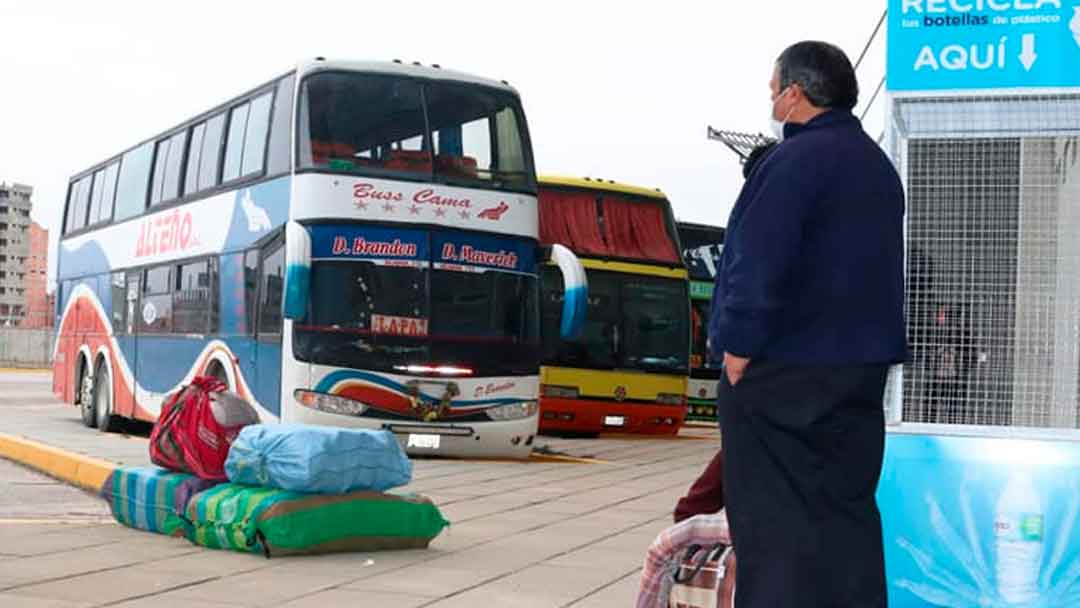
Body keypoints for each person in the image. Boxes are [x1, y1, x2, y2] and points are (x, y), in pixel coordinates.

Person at [708, 41, 907, 607]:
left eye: (774, 91)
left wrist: (738, 348)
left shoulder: (793, 161)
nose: (772, 102)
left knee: (773, 521)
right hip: (858, 372)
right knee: (843, 512)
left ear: (795, 95)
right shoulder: (876, 166)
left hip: (784, 370)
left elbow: (758, 258)